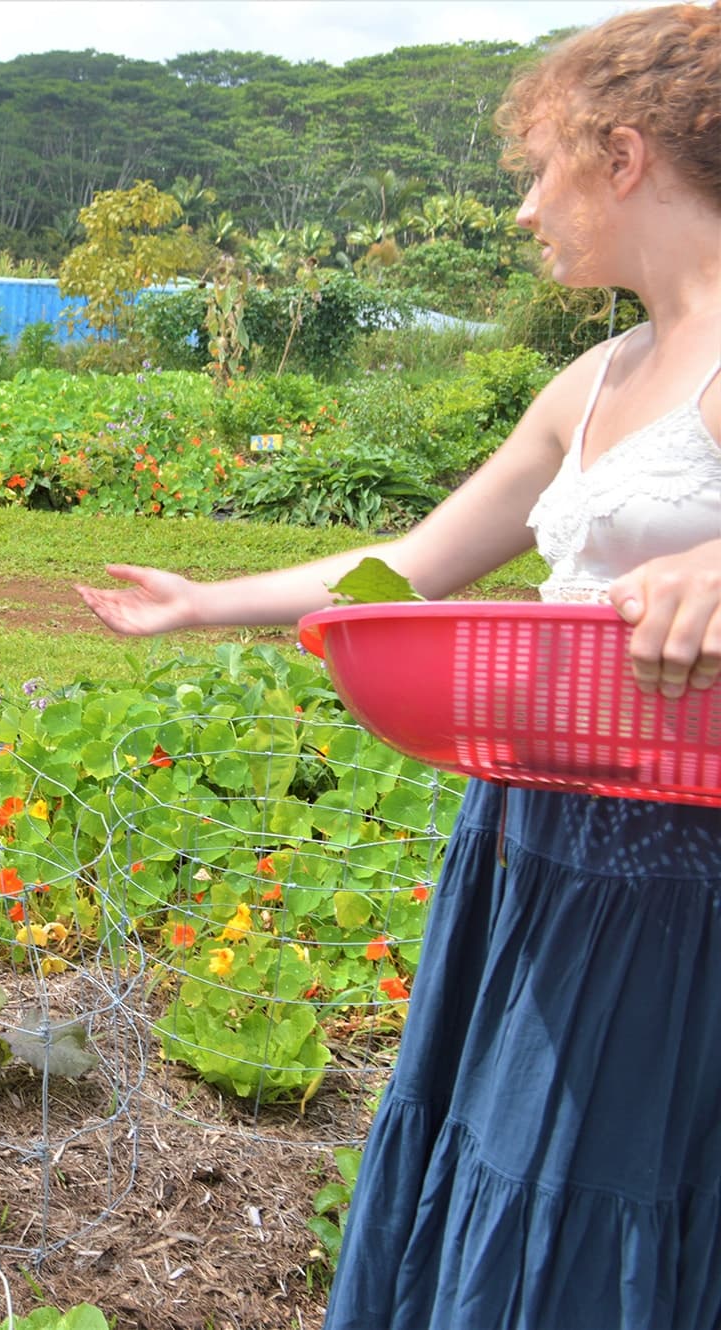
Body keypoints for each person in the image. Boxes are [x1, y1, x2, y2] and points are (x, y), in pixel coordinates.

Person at [78, 6, 721, 1325]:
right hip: (537, 843)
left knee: (613, 1198)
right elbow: (415, 564)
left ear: (625, 154)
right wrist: (206, 603)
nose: (527, 209)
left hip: (677, 880)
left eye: (540, 170)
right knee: (508, 1171)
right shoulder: (597, 378)